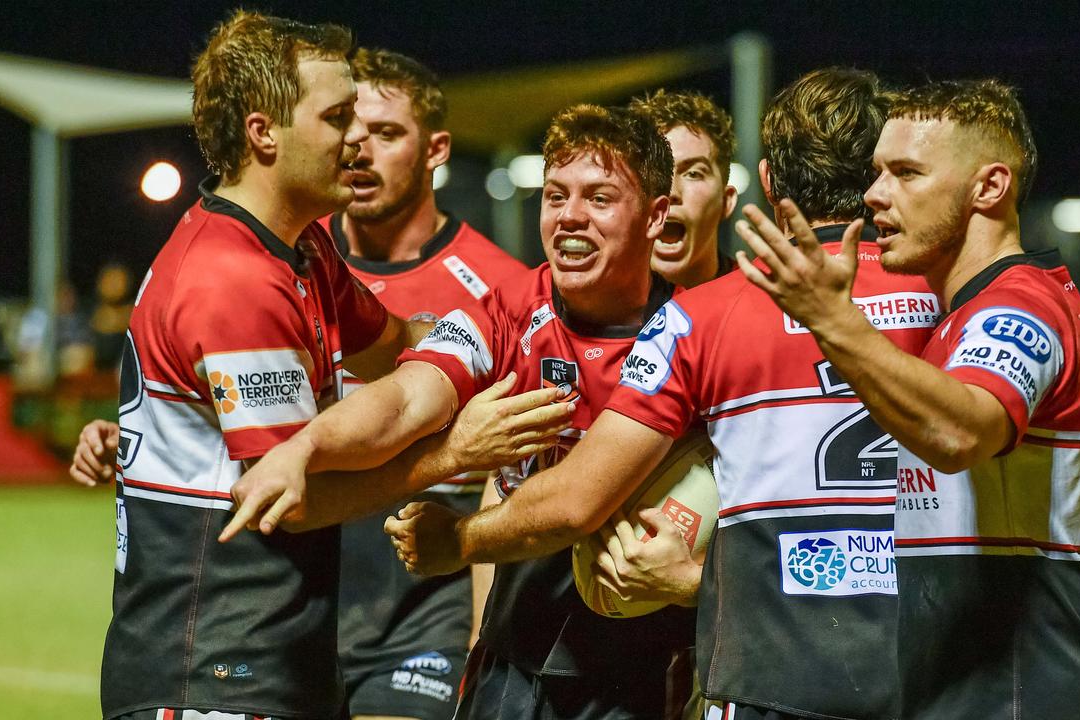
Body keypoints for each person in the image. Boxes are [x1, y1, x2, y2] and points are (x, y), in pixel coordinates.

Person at [386, 67, 937, 720]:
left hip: (716, 661)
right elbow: (510, 480)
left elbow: (578, 499)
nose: (672, 195)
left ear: (736, 194)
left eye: (693, 174)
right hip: (539, 650)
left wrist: (690, 583)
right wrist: (482, 627)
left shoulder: (709, 319)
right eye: (657, 175)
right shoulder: (548, 305)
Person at [89, 13, 560, 720]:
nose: (356, 138)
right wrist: (454, 454)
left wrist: (502, 340)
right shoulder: (231, 282)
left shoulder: (299, 246)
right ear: (263, 132)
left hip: (277, 658)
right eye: (338, 117)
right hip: (211, 671)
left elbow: (400, 342)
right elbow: (295, 500)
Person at [228, 104, 695, 719]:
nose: (570, 217)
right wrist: (303, 448)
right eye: (556, 196)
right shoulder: (509, 309)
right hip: (513, 659)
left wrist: (459, 541)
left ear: (656, 217)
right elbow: (404, 398)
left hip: (641, 675)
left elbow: (577, 505)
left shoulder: (695, 333)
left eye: (599, 198)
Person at [732, 80, 1080, 718]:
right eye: (875, 173)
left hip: (1020, 691)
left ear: (989, 187)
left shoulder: (1018, 304)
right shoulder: (964, 316)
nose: (873, 195)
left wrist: (833, 321)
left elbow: (962, 432)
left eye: (907, 173)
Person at [326, 48, 526, 720]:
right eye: (350, 131)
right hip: (295, 609)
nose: (361, 151)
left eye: (386, 134)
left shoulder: (499, 285)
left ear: (436, 148)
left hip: (422, 618)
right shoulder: (293, 262)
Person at [630, 90, 738, 288]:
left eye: (693, 174)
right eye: (654, 172)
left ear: (726, 202)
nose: (671, 192)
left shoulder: (764, 304)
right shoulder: (588, 308)